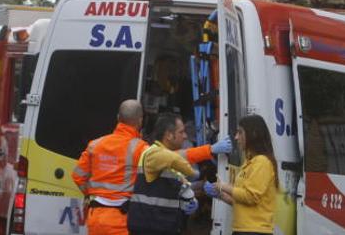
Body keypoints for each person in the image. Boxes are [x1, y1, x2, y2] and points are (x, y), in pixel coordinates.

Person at [73, 100, 232, 235]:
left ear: (118, 118)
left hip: (94, 217)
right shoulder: (139, 148)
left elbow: (78, 176)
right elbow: (174, 157)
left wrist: (93, 196)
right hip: (121, 219)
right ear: (140, 121)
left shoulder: (95, 144)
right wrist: (209, 150)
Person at [127, 113, 218, 235]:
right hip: (150, 227)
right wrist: (198, 170)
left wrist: (188, 201)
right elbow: (176, 158)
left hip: (163, 225)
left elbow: (171, 188)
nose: (185, 136)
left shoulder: (165, 158)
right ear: (169, 135)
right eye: (181, 132)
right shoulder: (154, 154)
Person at [204, 115, 278, 235]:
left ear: (253, 134)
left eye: (240, 132)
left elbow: (250, 196)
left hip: (255, 231)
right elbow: (240, 200)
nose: (236, 137)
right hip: (244, 230)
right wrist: (220, 195)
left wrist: (223, 186)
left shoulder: (262, 162)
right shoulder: (249, 162)